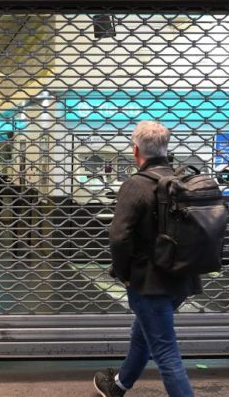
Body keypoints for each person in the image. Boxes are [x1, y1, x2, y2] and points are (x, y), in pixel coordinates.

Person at [93, 121, 201, 397]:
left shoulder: (136, 185)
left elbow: (119, 238)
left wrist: (124, 274)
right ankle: (118, 385)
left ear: (136, 151)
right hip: (181, 278)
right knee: (143, 334)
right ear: (165, 147)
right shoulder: (182, 182)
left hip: (150, 282)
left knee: (165, 351)